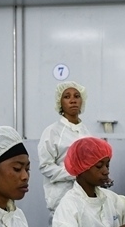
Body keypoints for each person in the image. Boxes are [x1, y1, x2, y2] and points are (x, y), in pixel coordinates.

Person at [38, 82, 91, 216]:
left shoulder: (86, 133)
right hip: (61, 198)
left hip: (85, 198)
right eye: (67, 97)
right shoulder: (52, 131)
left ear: (82, 101)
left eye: (77, 96)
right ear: (60, 103)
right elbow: (45, 166)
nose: (73, 100)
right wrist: (74, 174)